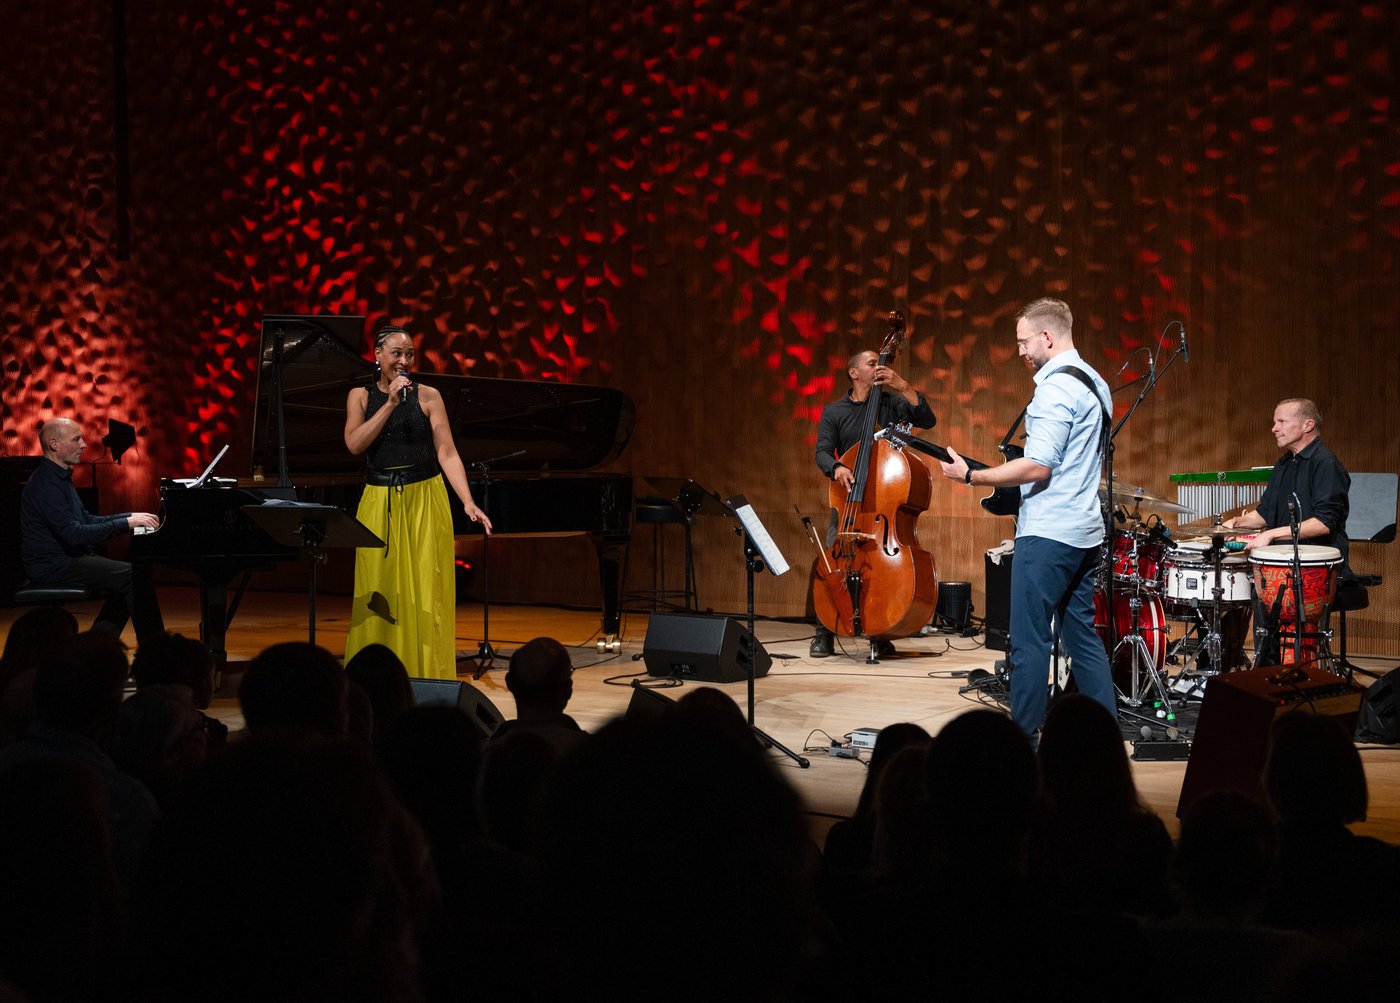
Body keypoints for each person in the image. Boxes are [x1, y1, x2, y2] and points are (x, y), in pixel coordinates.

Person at [937, 298, 1116, 739]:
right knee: (1082, 639)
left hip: (1050, 535)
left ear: (1047, 336)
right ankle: (1104, 739)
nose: (1020, 351)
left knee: (1028, 643)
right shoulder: (1096, 381)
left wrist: (972, 476)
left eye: (1023, 342)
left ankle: (1023, 743)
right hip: (1085, 531)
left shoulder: (1055, 388)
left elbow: (1038, 465)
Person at [343, 325, 492, 679]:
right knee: (379, 588)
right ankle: (376, 677)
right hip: (380, 500)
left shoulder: (429, 396)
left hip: (426, 497)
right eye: (397, 353)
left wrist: (467, 501)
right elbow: (354, 444)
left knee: (429, 587)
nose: (405, 361)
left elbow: (446, 451)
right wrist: (390, 404)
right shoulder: (360, 396)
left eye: (410, 354)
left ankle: (428, 675)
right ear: (377, 355)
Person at [810, 348, 936, 657]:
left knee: (879, 569)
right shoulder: (834, 411)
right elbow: (822, 452)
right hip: (850, 502)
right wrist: (837, 467)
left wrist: (902, 385)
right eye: (872, 363)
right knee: (831, 562)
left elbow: (927, 419)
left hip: (884, 498)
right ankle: (824, 631)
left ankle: (879, 630)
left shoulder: (892, 403)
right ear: (854, 373)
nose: (879, 366)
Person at [18, 417, 164, 640]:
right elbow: (74, 534)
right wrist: (126, 524)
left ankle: (99, 642)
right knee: (133, 575)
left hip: (66, 559)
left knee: (129, 574)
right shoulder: (46, 483)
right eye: (77, 439)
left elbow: (85, 519)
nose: (84, 445)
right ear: (54, 444)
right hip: (52, 565)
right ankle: (156, 649)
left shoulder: (60, 477)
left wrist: (129, 517)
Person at [1224, 399, 1350, 563]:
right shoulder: (1283, 463)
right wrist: (1236, 523)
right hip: (1280, 560)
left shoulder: (1326, 463)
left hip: (1316, 566)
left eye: (1281, 421)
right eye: (1275, 422)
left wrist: (1270, 534)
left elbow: (1323, 523)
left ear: (1308, 425)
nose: (1274, 428)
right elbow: (1266, 513)